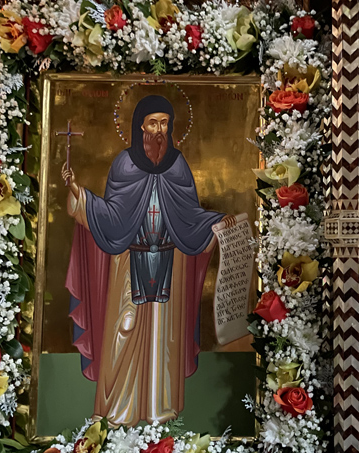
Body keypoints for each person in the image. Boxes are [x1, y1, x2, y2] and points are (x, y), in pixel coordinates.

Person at [62, 94, 234, 426]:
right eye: (153, 123)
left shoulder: (178, 164)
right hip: (129, 263)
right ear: (140, 126)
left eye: (165, 123)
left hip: (170, 260)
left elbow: (189, 215)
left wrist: (215, 221)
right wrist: (79, 195)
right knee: (123, 329)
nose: (159, 130)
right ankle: (118, 410)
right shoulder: (124, 164)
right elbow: (112, 214)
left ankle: (159, 409)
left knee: (165, 338)